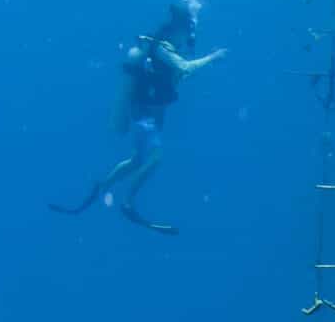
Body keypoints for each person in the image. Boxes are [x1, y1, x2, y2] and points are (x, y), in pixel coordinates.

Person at [52, 16, 227, 233]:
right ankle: (127, 202)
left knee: (137, 159)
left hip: (145, 114)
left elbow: (176, 77)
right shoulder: (162, 49)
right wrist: (213, 57)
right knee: (155, 159)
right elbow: (186, 68)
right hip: (145, 116)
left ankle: (103, 186)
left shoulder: (161, 52)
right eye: (187, 31)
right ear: (176, 30)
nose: (189, 36)